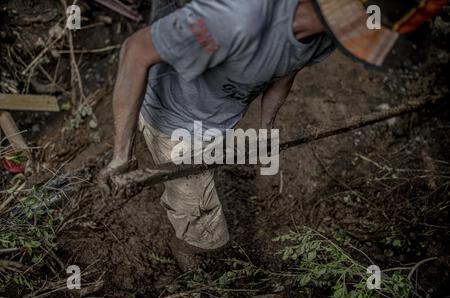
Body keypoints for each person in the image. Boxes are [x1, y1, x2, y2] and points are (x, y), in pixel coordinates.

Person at [99, 0, 446, 272]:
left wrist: (267, 126)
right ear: (352, 16)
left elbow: (285, 70)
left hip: (216, 115)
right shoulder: (238, 17)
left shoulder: (321, 34)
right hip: (175, 119)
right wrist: (122, 156)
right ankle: (187, 247)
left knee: (213, 160)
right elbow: (135, 52)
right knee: (206, 232)